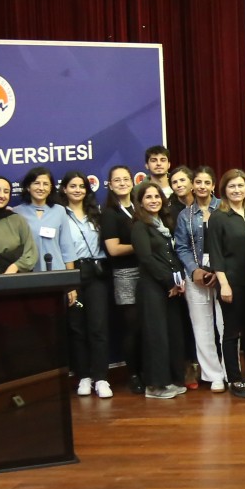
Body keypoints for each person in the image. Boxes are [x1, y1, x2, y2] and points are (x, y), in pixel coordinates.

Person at [55, 170, 114, 398]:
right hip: (73, 272)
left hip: (97, 273)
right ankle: (83, 377)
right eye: (73, 186)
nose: (77, 190)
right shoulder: (59, 213)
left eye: (81, 186)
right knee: (77, 327)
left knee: (98, 327)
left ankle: (101, 378)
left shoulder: (96, 213)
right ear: (64, 189)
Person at [130, 179, 187, 400]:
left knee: (173, 333)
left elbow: (172, 255)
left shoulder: (164, 223)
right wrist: (169, 282)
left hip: (171, 287)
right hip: (152, 288)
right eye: (148, 197)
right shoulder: (139, 226)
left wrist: (179, 281)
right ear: (140, 202)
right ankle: (155, 386)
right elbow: (146, 258)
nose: (153, 200)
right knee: (156, 336)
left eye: (156, 196)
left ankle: (172, 379)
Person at [209, 168, 245, 396]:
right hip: (231, 282)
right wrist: (223, 283)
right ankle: (235, 379)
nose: (237, 190)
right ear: (224, 189)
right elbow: (215, 253)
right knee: (232, 332)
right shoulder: (218, 216)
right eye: (232, 186)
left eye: (241, 185)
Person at [174, 165, 227, 388]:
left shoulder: (224, 208)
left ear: (213, 185)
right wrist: (194, 270)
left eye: (207, 182)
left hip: (223, 274)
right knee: (202, 327)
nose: (202, 186)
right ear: (192, 186)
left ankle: (230, 372)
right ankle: (213, 375)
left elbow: (231, 242)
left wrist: (217, 270)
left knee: (226, 325)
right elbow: (181, 246)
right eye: (198, 182)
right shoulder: (184, 215)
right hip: (195, 274)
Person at [98, 166, 143, 390]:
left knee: (147, 325)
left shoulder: (140, 207)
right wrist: (143, 246)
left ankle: (148, 371)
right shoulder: (109, 213)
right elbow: (113, 249)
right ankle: (134, 375)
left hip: (147, 272)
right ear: (110, 185)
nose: (123, 183)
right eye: (117, 180)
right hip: (125, 274)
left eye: (126, 179)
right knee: (132, 327)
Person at [15, 166, 71, 272]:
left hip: (57, 271)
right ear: (28, 187)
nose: (41, 188)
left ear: (50, 188)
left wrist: (70, 279)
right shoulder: (17, 212)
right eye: (36, 183)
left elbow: (67, 248)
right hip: (28, 273)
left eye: (45, 184)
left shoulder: (59, 211)